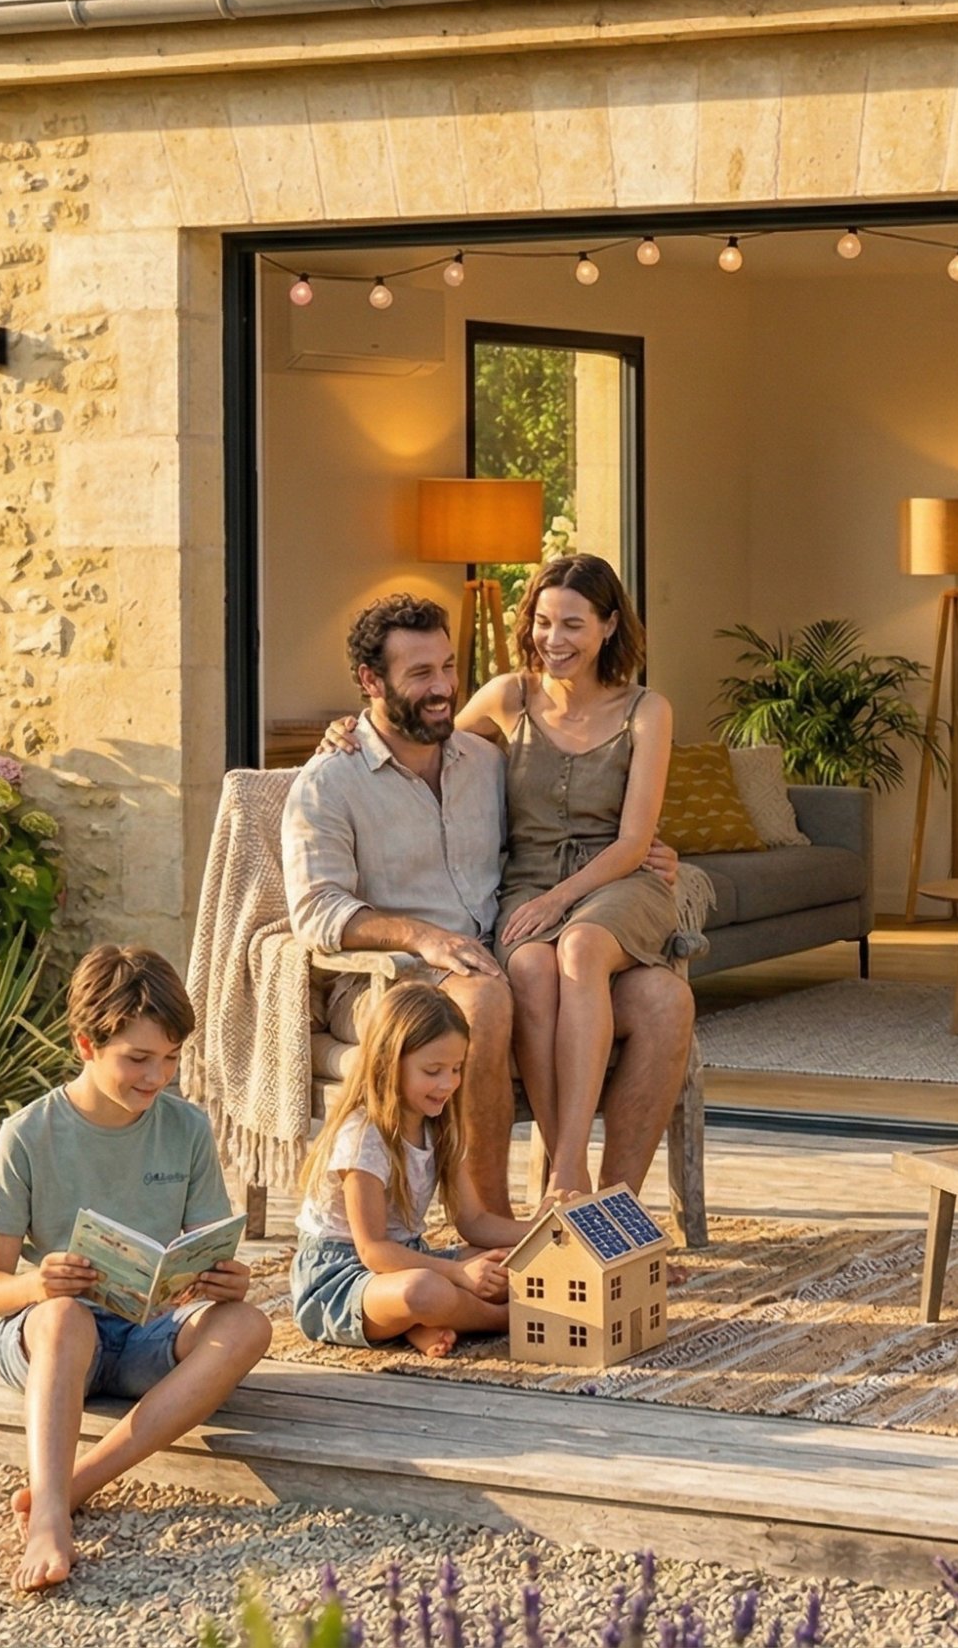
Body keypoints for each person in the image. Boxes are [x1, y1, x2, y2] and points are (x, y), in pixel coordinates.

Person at [284, 590, 692, 1214]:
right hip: (387, 982)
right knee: (486, 997)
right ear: (370, 681)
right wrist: (422, 938)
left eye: (449, 667)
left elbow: (562, 825)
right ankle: (494, 1225)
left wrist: (652, 854)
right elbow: (316, 912)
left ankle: (609, 1218)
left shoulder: (483, 760)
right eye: (421, 674)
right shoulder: (329, 781)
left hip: (498, 955)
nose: (444, 686)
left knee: (665, 1000)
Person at [0, 945, 271, 1592]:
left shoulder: (186, 1128)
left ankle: (84, 1481)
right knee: (63, 1319)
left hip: (144, 1330)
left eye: (170, 1058)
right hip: (51, 1337)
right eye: (138, 1059)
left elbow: (207, 1249)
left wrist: (226, 1280)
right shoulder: (27, 1135)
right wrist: (37, 1283)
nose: (156, 1076)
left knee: (246, 1325)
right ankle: (50, 1513)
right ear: (85, 1044)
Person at [457, 554, 678, 1201]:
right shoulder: (507, 697)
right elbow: (422, 740)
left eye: (573, 625)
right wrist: (348, 733)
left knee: (578, 948)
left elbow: (635, 840)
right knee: (528, 968)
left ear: (609, 626)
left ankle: (568, 1164)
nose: (554, 641)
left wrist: (560, 900)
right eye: (544, 623)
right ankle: (569, 1174)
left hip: (618, 878)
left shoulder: (646, 709)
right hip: (526, 878)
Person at [292, 980, 529, 1356]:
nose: (448, 1083)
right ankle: (507, 1319)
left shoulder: (440, 1125)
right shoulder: (364, 1137)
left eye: (456, 1068)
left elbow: (474, 1222)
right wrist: (456, 1275)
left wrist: (546, 1231)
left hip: (408, 1256)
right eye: (433, 1070)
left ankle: (421, 1323)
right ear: (389, 1062)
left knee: (510, 1264)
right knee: (424, 1291)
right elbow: (372, 1252)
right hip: (341, 1276)